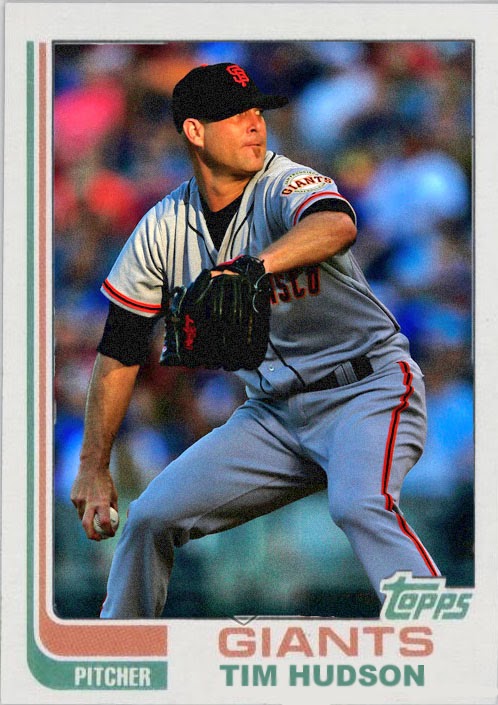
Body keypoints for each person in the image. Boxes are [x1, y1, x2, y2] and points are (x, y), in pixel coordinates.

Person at [71, 62, 440, 619]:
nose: (254, 124)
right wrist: (93, 466)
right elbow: (121, 348)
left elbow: (337, 224)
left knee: (359, 504)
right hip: (273, 416)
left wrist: (253, 268)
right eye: (236, 115)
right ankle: (118, 652)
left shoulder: (283, 182)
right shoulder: (164, 228)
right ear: (195, 131)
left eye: (257, 112)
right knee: (149, 518)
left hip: (367, 389)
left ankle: (437, 636)